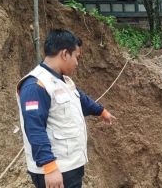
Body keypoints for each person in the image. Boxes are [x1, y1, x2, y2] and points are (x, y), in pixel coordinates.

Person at [16, 29, 116, 188]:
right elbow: (34, 128)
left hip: (69, 165)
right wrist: (49, 167)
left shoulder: (62, 81)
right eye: (76, 57)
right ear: (64, 54)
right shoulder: (36, 86)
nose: (77, 63)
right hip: (56, 170)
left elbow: (80, 99)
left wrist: (101, 111)